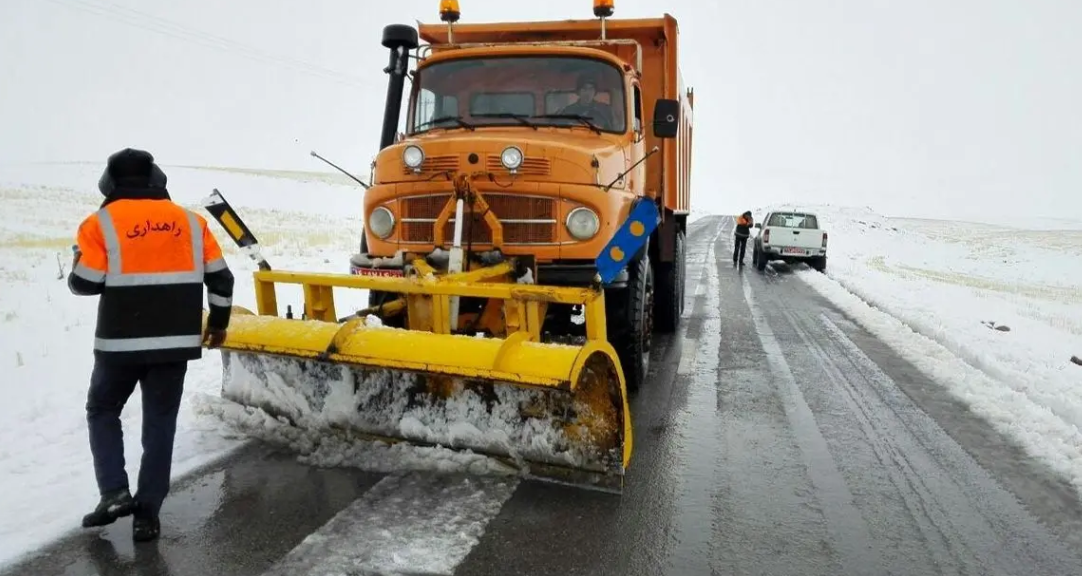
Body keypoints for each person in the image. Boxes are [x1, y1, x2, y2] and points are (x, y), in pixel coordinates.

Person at [68, 148, 235, 542]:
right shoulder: (191, 223)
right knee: (160, 425)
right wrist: (220, 324)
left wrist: (78, 261)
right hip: (175, 344)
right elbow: (222, 280)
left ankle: (113, 493)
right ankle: (148, 515)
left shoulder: (99, 224)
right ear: (157, 179)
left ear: (109, 183)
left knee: (103, 409)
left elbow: (85, 283)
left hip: (118, 345)